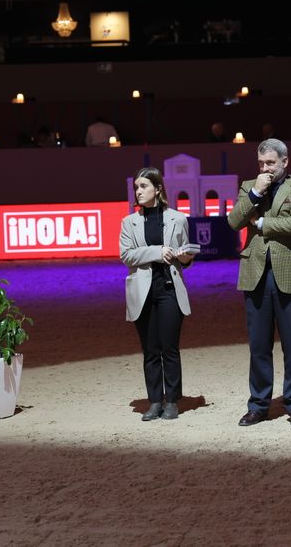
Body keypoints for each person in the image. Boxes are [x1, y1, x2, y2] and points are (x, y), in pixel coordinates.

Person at [228, 138, 291, 426]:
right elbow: (234, 221)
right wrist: (254, 193)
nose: (265, 168)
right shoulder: (248, 186)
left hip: (289, 272)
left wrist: (263, 224)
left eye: (270, 163)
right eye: (261, 163)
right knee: (258, 345)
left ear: (284, 162)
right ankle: (259, 405)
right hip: (255, 273)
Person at [119, 167, 195, 421]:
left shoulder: (178, 218)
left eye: (144, 187)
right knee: (150, 350)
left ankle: (172, 400)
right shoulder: (129, 222)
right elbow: (126, 255)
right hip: (142, 292)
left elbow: (185, 256)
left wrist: (185, 258)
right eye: (136, 188)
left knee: (169, 348)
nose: (139, 192)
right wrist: (157, 251)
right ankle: (154, 401)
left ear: (158, 189)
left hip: (170, 290)